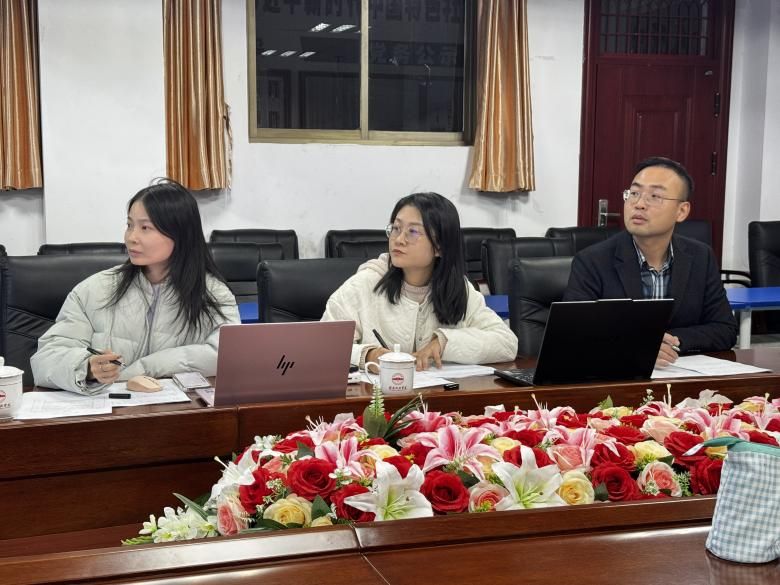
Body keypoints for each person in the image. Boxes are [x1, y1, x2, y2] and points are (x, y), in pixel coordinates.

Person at [31, 179, 240, 394]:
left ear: (180, 233)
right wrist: (87, 368)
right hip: (110, 410)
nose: (131, 237)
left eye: (145, 228)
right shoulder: (94, 290)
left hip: (181, 409)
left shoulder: (213, 294)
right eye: (129, 225)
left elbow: (228, 356)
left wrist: (144, 368)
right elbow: (45, 359)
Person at [563, 157, 737, 366]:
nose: (639, 204)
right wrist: (638, 344)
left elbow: (725, 329)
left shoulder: (701, 256)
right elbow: (573, 333)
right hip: (618, 374)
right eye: (634, 193)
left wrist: (671, 342)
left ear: (681, 211)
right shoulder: (592, 261)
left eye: (655, 196)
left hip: (679, 374)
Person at [322, 192, 518, 370]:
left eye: (413, 232)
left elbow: (507, 343)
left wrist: (444, 342)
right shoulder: (364, 284)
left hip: (439, 393)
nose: (399, 239)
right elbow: (323, 346)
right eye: (396, 228)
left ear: (440, 246)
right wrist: (368, 355)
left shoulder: (458, 288)